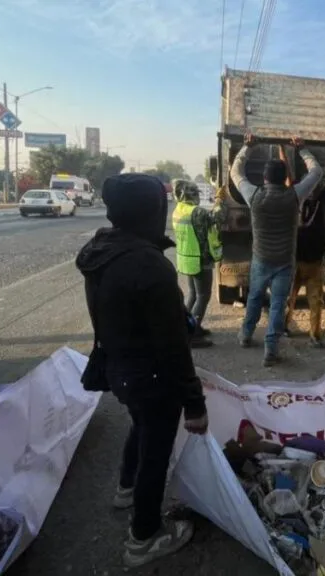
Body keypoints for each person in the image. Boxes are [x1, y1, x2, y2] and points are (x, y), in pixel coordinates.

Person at [75, 173, 209, 569]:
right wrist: (194, 403)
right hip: (152, 378)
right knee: (156, 452)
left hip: (121, 369)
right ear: (151, 211)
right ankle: (143, 537)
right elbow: (173, 347)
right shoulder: (150, 267)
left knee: (141, 427)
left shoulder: (101, 250)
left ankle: (126, 487)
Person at [231, 133, 323, 366]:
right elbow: (317, 172)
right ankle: (270, 350)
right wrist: (302, 149)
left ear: (264, 178)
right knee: (278, 305)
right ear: (285, 178)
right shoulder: (294, 196)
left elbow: (235, 173)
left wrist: (248, 147)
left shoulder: (254, 195)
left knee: (254, 298)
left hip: (261, 260)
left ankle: (245, 335)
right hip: (284, 263)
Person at [284, 144, 325, 348]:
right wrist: (281, 148)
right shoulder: (307, 196)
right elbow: (287, 175)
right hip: (301, 261)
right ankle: (297, 330)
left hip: (308, 262)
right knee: (295, 299)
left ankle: (312, 334)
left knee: (310, 301)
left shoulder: (315, 197)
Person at [172, 178, 226, 347]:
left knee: (194, 294)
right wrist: (219, 200)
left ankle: (185, 328)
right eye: (196, 193)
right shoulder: (197, 212)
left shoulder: (179, 210)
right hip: (199, 259)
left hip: (186, 258)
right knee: (203, 296)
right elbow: (218, 217)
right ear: (191, 195)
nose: (198, 197)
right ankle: (193, 335)